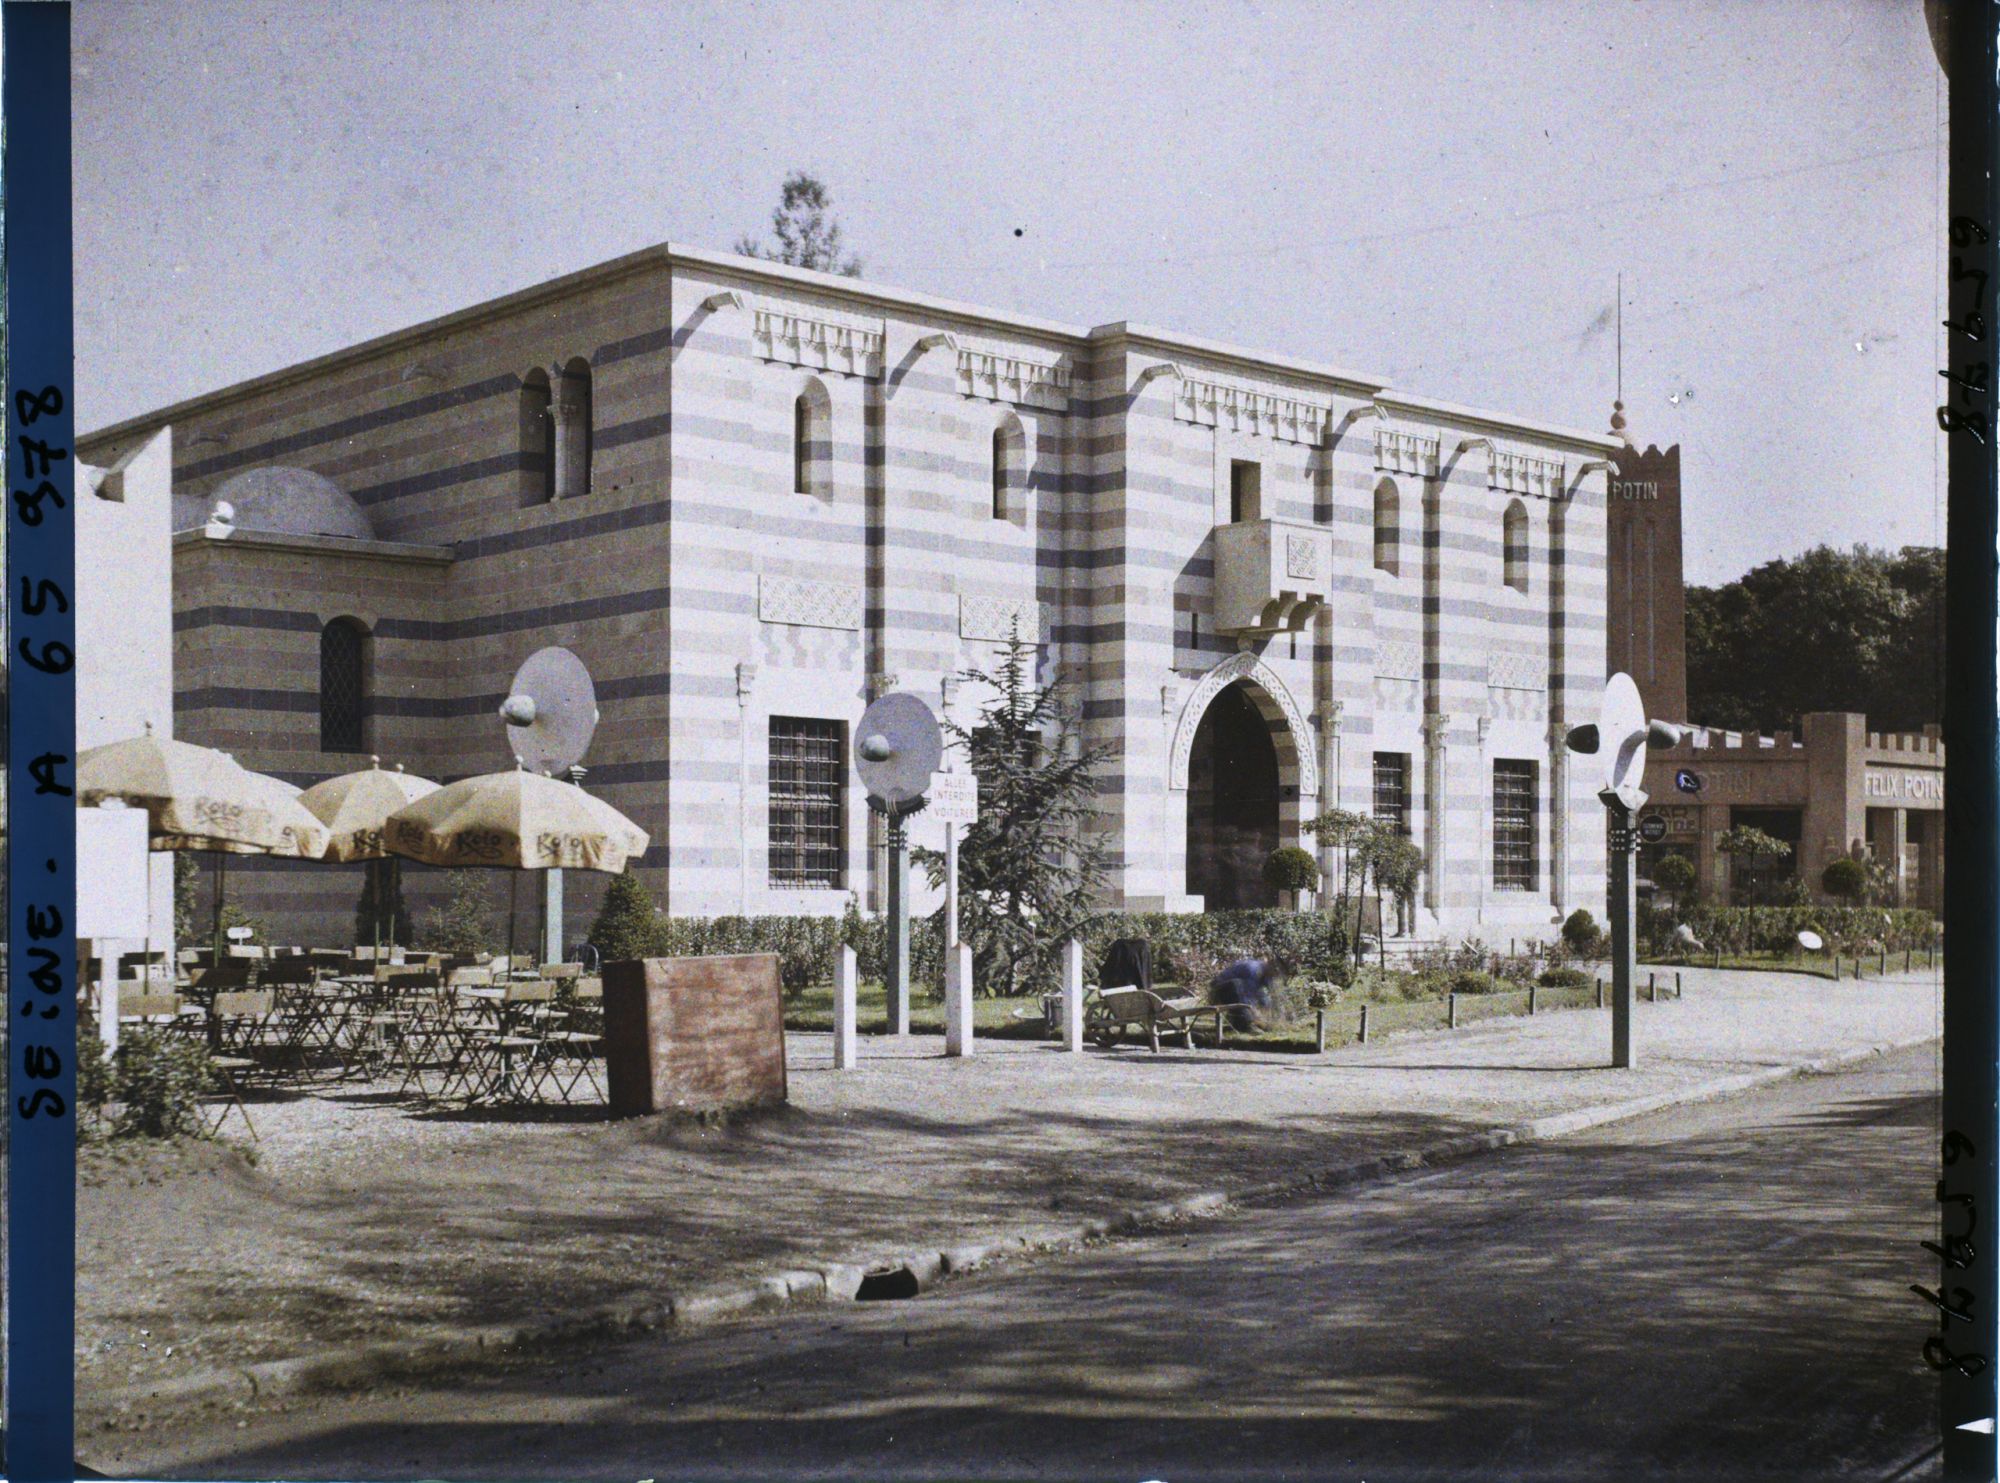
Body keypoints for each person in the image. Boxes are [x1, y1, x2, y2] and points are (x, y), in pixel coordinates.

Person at [1209, 954, 1289, 1032]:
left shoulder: (1266, 976)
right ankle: (1245, 1025)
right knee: (1236, 984)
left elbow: (1264, 997)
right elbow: (1247, 995)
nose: (1276, 974)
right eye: (1276, 970)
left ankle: (1240, 1023)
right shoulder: (1253, 969)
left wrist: (1274, 1015)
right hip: (1220, 991)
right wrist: (1253, 1014)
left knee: (1256, 1000)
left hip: (1237, 993)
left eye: (1279, 973)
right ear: (1271, 964)